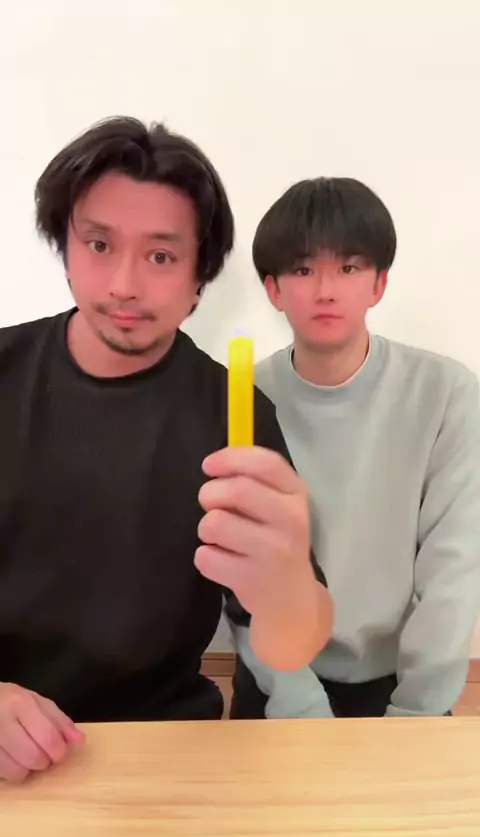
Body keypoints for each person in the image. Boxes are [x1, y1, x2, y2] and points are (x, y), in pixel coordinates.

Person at [0, 118, 333, 783]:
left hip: (166, 747)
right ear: (65, 247)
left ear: (199, 276)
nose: (124, 284)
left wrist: (288, 584)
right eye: (99, 244)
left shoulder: (236, 414)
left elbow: (292, 643)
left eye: (160, 257)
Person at [230, 176, 480, 720]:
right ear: (273, 290)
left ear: (378, 284)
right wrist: (300, 706)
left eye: (348, 268)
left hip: (401, 685)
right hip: (278, 679)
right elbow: (242, 579)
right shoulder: (241, 397)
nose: (326, 290)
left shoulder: (447, 393)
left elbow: (453, 571)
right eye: (303, 270)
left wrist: (415, 716)